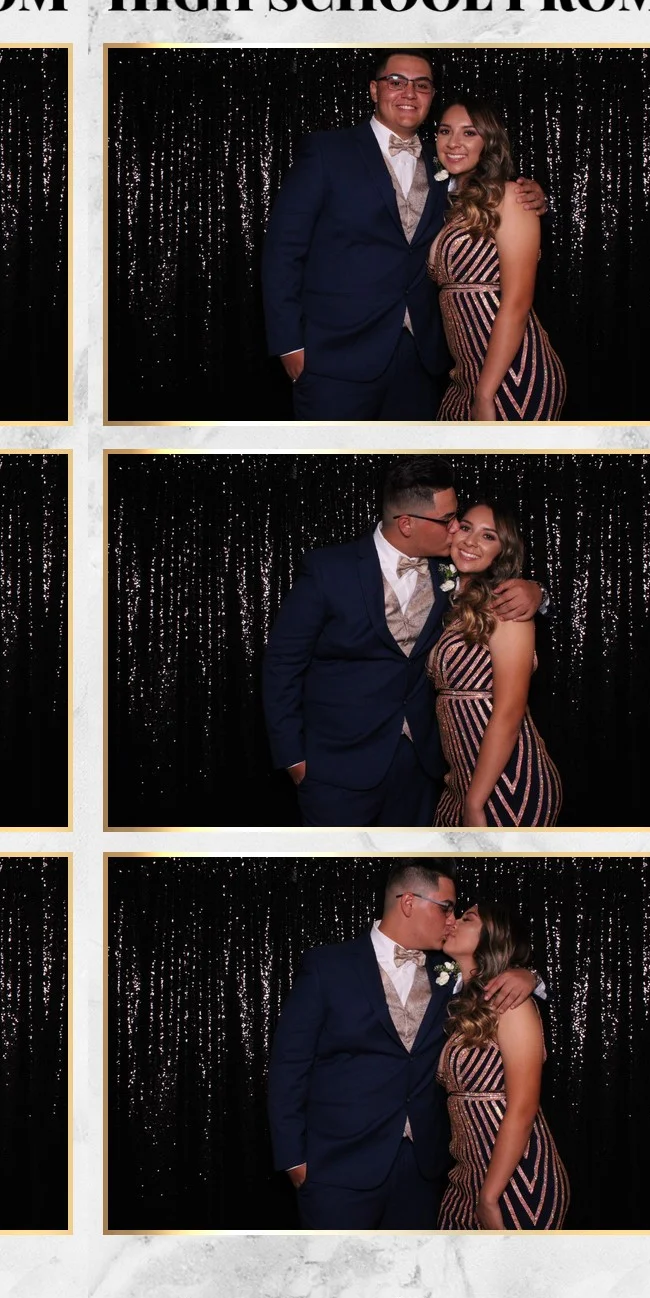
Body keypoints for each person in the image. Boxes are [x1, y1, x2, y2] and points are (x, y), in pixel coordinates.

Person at [261, 50, 545, 421]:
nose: (409, 93)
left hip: (421, 358)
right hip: (334, 356)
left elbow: (490, 196)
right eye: (396, 82)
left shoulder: (444, 160)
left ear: (431, 96)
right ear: (373, 89)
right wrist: (288, 344)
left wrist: (532, 194)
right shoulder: (327, 151)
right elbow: (283, 252)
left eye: (421, 85)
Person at [262, 459, 545, 826]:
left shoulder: (448, 570)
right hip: (337, 768)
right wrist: (293, 758)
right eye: (449, 520)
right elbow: (282, 664)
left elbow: (496, 588)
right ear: (407, 523)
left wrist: (539, 593)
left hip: (421, 767)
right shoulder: (328, 570)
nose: (456, 528)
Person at [267, 862, 539, 1230]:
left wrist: (530, 976)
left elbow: (491, 971)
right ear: (409, 902)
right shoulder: (327, 966)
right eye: (446, 908)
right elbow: (289, 1067)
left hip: (423, 1170)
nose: (451, 920)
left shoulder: (447, 972)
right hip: (337, 1167)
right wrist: (293, 1159)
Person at [430, 99, 567, 420]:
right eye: (445, 131)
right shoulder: (450, 203)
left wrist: (484, 393)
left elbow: (517, 302)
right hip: (465, 376)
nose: (453, 142)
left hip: (514, 376)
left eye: (469, 133)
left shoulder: (512, 197)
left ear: (489, 142)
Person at [428, 501, 562, 826]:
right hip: (459, 780)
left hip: (509, 783)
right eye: (466, 528)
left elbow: (510, 711)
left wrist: (475, 802)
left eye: (488, 536)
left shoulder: (508, 607)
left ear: (502, 552)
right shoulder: (448, 598)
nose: (472, 541)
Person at [438, 900, 569, 1230]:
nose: (452, 921)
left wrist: (489, 1196)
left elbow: (524, 1107)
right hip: (466, 1176)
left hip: (516, 1181)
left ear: (492, 938)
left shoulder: (512, 1004)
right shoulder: (461, 1000)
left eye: (467, 918)